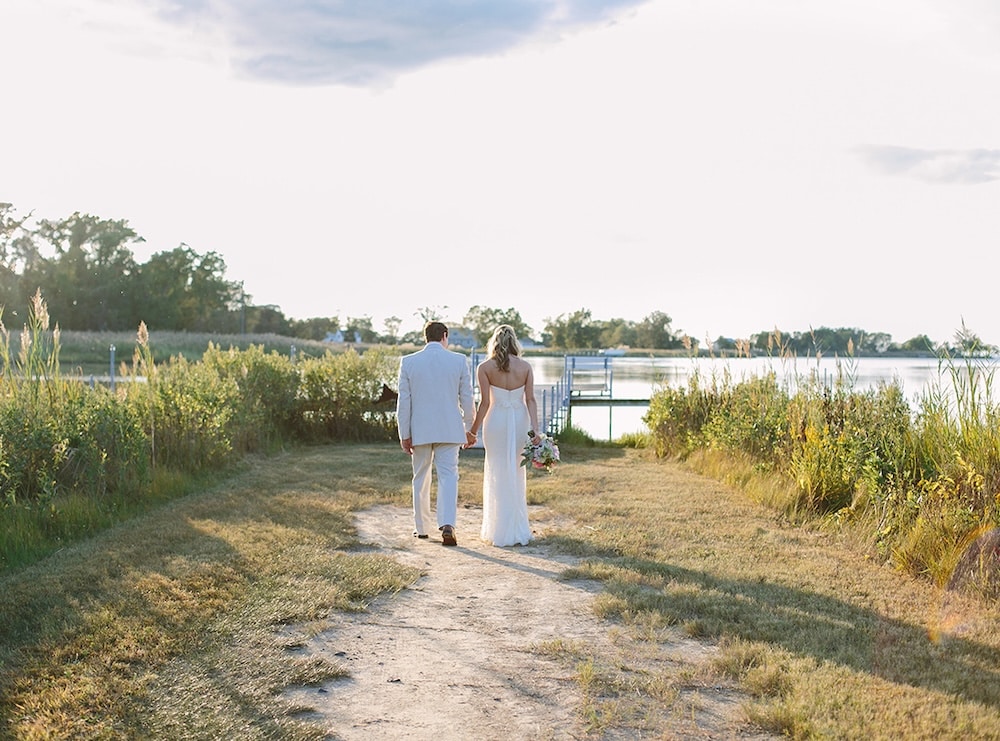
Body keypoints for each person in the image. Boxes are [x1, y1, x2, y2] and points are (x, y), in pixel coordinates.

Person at [396, 321, 477, 546]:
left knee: (420, 476)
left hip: (420, 430)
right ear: (444, 335)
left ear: (425, 337)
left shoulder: (409, 362)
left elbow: (404, 402)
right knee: (449, 475)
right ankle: (448, 525)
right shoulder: (458, 361)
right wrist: (470, 428)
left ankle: (421, 528)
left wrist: (404, 433)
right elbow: (467, 398)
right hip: (450, 429)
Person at [469, 325, 541, 547]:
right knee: (516, 469)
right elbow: (530, 400)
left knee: (497, 467)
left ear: (494, 343)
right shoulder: (526, 367)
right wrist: (535, 431)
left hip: (496, 420)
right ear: (514, 342)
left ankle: (497, 528)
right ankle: (515, 525)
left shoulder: (485, 367)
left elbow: (485, 402)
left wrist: (473, 431)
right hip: (519, 420)